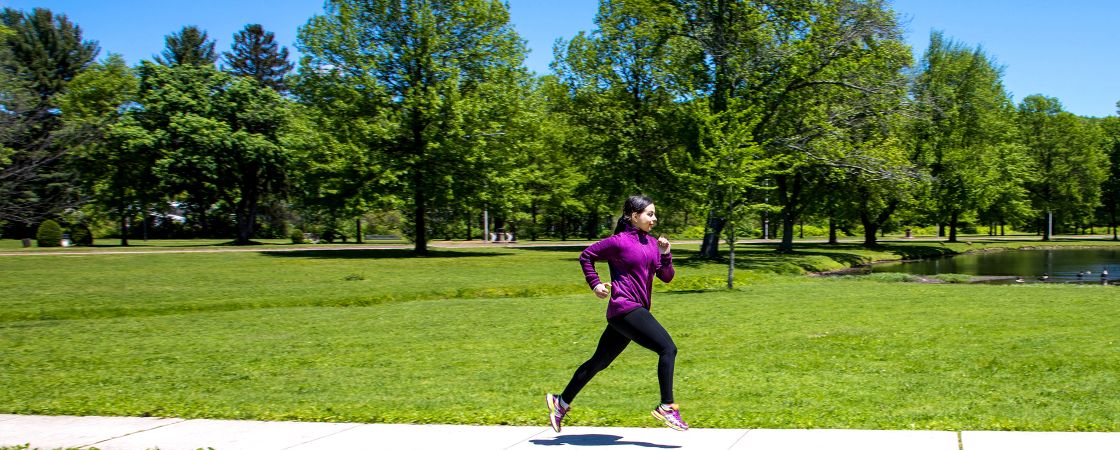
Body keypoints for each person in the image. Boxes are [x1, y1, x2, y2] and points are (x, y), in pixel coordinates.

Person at [544, 195, 688, 432]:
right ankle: (667, 406)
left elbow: (667, 277)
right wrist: (595, 284)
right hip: (625, 308)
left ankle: (561, 402)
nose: (654, 218)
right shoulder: (618, 242)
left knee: (598, 362)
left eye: (654, 214)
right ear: (634, 216)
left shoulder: (652, 244)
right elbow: (586, 256)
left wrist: (666, 254)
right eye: (649, 214)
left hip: (629, 313)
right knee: (667, 348)